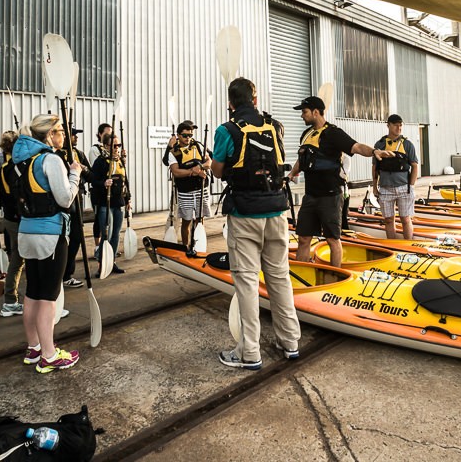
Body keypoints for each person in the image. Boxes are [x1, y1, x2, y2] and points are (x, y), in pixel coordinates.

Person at [211, 77, 301, 370]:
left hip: (245, 214)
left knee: (247, 282)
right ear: (256, 99)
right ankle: (290, 343)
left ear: (230, 103)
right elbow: (278, 160)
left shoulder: (227, 130)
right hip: (276, 212)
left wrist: (213, 162)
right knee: (279, 278)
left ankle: (249, 352)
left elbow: (218, 170)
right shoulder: (275, 126)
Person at [12, 114, 82, 373]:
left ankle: (34, 348)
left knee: (32, 292)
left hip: (27, 232)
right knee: (48, 297)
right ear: (50, 135)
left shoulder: (22, 160)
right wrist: (74, 175)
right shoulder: (51, 159)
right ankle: (50, 355)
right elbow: (65, 199)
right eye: (60, 131)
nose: (63, 135)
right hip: (50, 235)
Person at [287, 96, 393, 267]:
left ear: (316, 112)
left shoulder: (333, 133)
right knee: (304, 238)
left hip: (330, 197)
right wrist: (292, 173)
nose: (302, 116)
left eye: (304, 112)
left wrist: (374, 151)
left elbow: (356, 147)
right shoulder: (306, 135)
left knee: (332, 240)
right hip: (310, 196)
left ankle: (334, 274)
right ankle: (302, 272)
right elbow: (303, 159)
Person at [167, 120, 212, 256]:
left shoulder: (198, 146)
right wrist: (194, 171)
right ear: (178, 136)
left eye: (190, 135)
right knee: (186, 220)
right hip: (185, 190)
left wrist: (200, 167)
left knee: (200, 218)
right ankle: (186, 248)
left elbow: (209, 162)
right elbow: (176, 172)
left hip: (201, 188)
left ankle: (198, 245)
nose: (188, 138)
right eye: (185, 135)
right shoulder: (173, 152)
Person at [372, 114, 419, 240]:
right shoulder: (380, 144)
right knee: (388, 220)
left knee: (405, 219)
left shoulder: (407, 144)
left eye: (400, 125)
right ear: (388, 125)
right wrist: (375, 187)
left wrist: (411, 186)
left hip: (404, 188)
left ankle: (408, 245)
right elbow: (375, 167)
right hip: (385, 188)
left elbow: (414, 166)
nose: (399, 128)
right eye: (396, 125)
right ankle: (393, 245)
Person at [0, 131, 25, 317]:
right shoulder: (15, 167)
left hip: (10, 218)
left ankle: (11, 299)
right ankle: (11, 301)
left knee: (17, 258)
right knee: (19, 259)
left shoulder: (5, 166)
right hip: (19, 219)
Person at [90, 134, 128, 276]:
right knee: (107, 234)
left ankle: (111, 263)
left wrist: (128, 199)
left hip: (118, 203)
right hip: (104, 204)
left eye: (118, 146)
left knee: (116, 235)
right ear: (105, 146)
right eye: (113, 146)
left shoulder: (120, 161)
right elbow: (93, 181)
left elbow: (125, 181)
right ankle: (101, 264)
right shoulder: (100, 162)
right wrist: (103, 183)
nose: (116, 148)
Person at [60, 128, 93, 288]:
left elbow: (90, 175)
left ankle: (68, 273)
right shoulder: (56, 154)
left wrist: (81, 168)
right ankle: (58, 273)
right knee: (61, 239)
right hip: (62, 201)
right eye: (73, 135)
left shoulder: (78, 153)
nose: (76, 138)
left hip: (77, 199)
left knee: (77, 236)